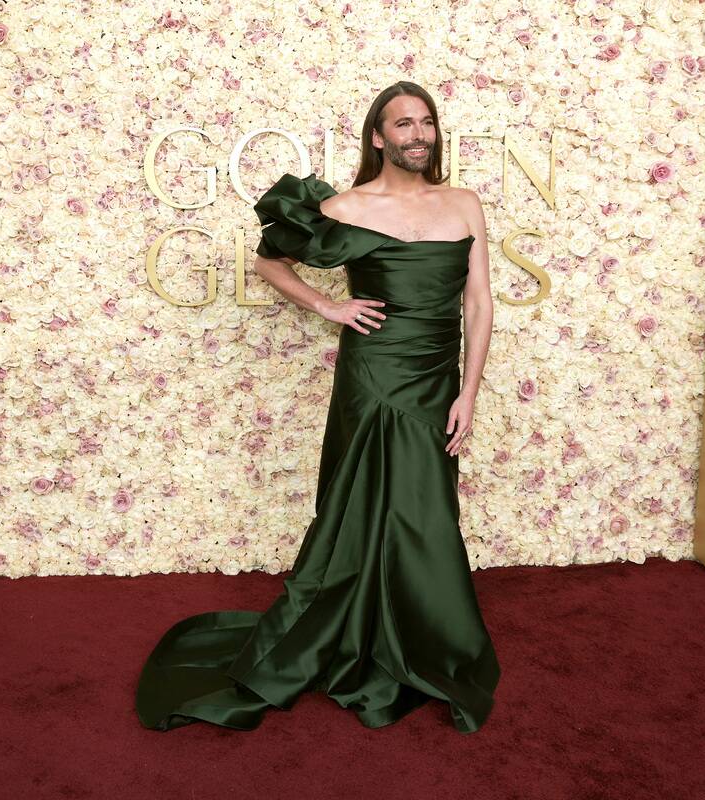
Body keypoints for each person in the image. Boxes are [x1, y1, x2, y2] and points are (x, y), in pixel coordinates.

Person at [135, 81, 500, 734]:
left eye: (426, 122)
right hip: (374, 376)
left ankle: (420, 636)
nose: (418, 134)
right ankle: (353, 635)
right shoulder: (349, 206)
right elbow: (269, 260)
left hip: (436, 379)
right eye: (403, 124)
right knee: (362, 507)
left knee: (426, 508)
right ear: (378, 137)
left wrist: (469, 391)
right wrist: (328, 306)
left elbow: (478, 303)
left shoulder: (464, 203)